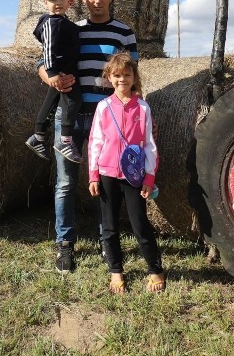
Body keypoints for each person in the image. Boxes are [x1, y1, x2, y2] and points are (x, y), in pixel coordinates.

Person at [39, 0, 138, 273]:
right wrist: (49, 78)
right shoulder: (70, 28)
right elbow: (43, 62)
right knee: (66, 183)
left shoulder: (124, 33)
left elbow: (132, 76)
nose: (97, 0)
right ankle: (65, 244)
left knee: (108, 182)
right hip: (67, 117)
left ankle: (106, 239)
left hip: (105, 119)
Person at [88, 52, 165, 293]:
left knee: (140, 224)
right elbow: (95, 142)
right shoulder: (102, 107)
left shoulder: (142, 108)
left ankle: (155, 269)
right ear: (109, 78)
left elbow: (149, 145)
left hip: (134, 176)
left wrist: (149, 177)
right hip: (107, 174)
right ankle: (116, 271)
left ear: (134, 77)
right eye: (117, 75)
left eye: (127, 74)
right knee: (109, 226)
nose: (122, 79)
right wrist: (93, 174)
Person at [26, 0, 83, 162]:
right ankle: (65, 141)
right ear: (45, 3)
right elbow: (48, 49)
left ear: (70, 1)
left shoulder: (63, 22)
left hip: (64, 68)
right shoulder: (52, 22)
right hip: (61, 70)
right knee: (73, 100)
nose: (57, 2)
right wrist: (51, 73)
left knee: (51, 100)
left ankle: (38, 136)